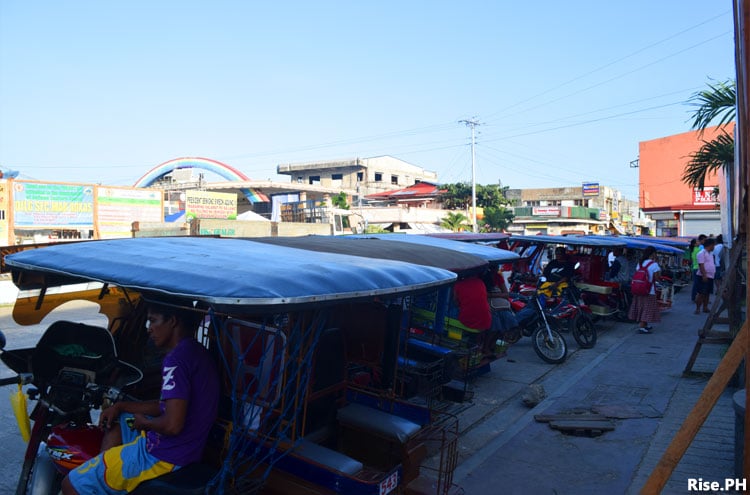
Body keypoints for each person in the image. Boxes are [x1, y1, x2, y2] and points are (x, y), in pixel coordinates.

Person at [62, 302, 221, 495]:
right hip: (186, 447)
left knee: (71, 484)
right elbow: (166, 406)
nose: (149, 328)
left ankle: (106, 475)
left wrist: (145, 424)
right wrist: (120, 406)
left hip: (163, 455)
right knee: (120, 420)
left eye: (153, 321)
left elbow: (172, 425)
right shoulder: (194, 351)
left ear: (172, 321)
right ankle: (110, 476)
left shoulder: (175, 361)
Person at [628, 246, 661, 334]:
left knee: (641, 307)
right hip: (649, 290)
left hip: (639, 289)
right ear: (653, 253)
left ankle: (645, 324)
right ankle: (642, 326)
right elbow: (657, 278)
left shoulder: (640, 263)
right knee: (648, 308)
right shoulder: (654, 264)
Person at [695, 237, 716, 314]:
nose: (714, 247)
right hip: (703, 276)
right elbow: (701, 265)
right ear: (710, 245)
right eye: (713, 245)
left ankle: (705, 307)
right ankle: (697, 308)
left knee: (707, 293)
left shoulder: (710, 254)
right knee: (701, 293)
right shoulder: (701, 253)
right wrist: (704, 275)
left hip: (710, 276)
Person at [690, 234, 706, 303]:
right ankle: (696, 298)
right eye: (697, 242)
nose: (699, 242)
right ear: (694, 244)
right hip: (698, 268)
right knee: (698, 284)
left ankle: (694, 297)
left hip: (694, 268)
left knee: (696, 284)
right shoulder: (698, 250)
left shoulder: (693, 250)